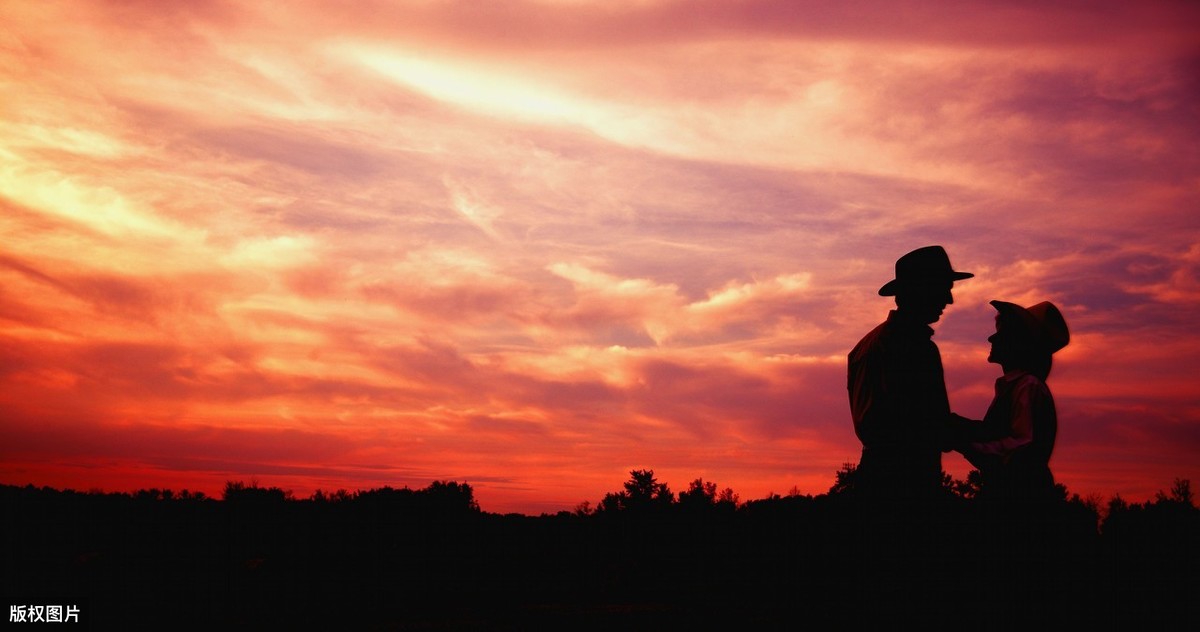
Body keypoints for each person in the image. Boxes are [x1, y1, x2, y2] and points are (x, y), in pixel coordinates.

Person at [847, 245, 973, 500]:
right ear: (919, 289)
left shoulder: (864, 346)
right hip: (905, 484)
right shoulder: (914, 347)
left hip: (877, 478)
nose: (949, 300)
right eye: (943, 288)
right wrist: (984, 434)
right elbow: (929, 423)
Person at [954, 300, 1070, 505]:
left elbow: (1019, 447)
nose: (992, 338)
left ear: (1017, 343)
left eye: (1001, 333)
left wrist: (962, 441)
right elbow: (996, 435)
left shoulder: (1027, 386)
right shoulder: (1017, 386)